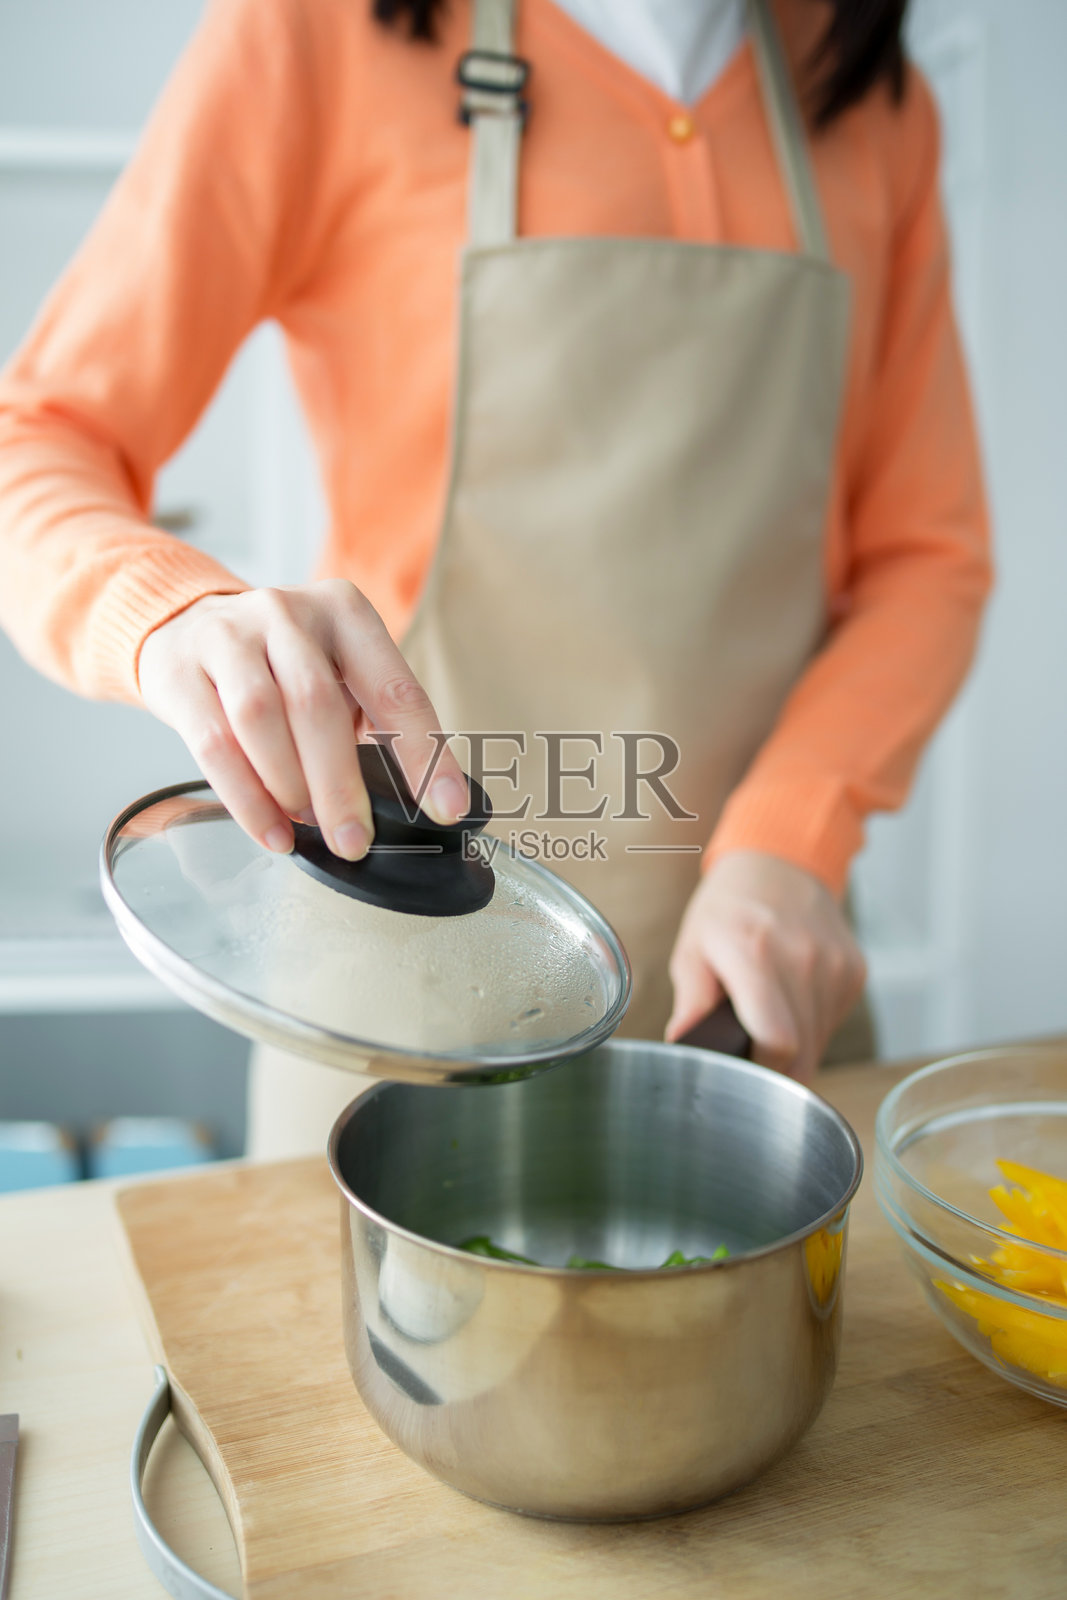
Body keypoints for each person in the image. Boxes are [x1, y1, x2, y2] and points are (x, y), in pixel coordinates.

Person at [0, 0, 991, 1155]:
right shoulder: (316, 34)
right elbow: (39, 438)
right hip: (395, 1010)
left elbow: (926, 558)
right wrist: (175, 610)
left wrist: (791, 843)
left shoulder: (867, 99)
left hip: (755, 991)